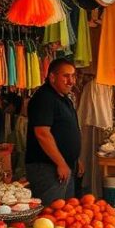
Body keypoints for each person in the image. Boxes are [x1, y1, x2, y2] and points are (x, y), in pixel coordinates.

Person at [25, 58, 82, 203]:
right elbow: (42, 133)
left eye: (73, 76)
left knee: (66, 214)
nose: (71, 81)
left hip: (64, 166)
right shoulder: (44, 98)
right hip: (47, 168)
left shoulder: (64, 99)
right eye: (66, 76)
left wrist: (75, 159)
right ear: (52, 77)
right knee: (50, 214)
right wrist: (61, 163)